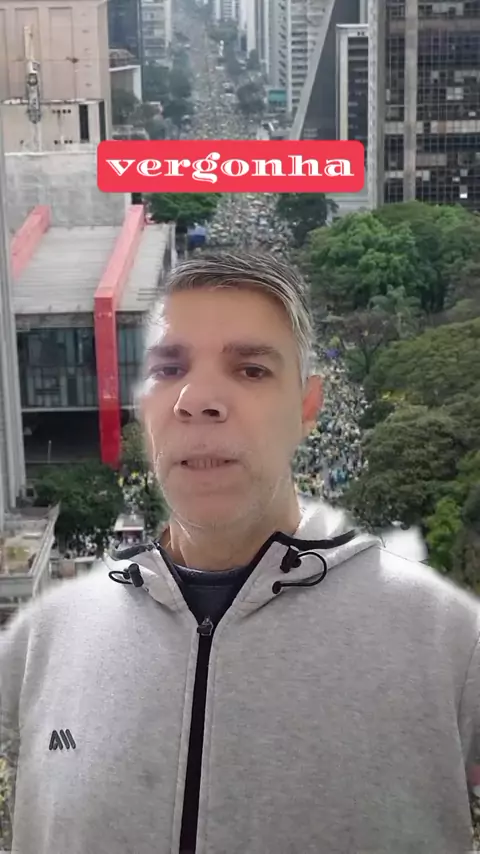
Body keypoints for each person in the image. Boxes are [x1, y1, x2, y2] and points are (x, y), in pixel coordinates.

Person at [1, 251, 479, 854]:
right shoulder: (42, 639)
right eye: (169, 369)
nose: (198, 399)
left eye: (250, 370)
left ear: (307, 407)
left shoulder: (448, 639)